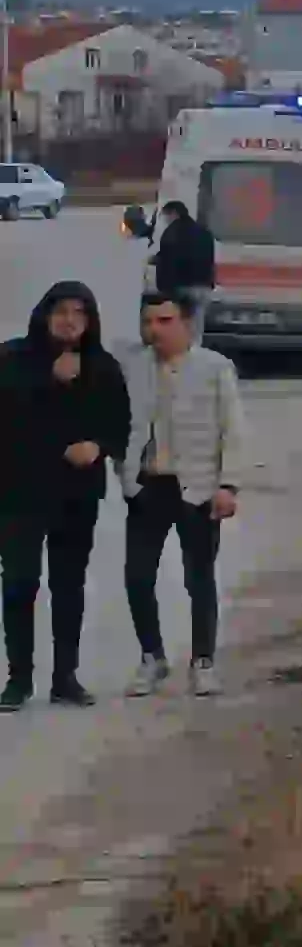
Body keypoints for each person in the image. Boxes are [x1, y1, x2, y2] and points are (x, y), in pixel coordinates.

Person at [1, 281, 129, 710]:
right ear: (45, 314)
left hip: (76, 495)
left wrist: (99, 446)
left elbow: (119, 423)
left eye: (79, 312)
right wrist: (47, 380)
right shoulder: (13, 359)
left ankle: (65, 677)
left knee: (69, 585)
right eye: (61, 311)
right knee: (19, 583)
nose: (69, 320)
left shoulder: (103, 367)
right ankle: (18, 679)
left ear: (90, 320)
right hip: (19, 492)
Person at [122, 290, 239, 698]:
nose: (154, 330)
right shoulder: (133, 367)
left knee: (199, 578)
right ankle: (152, 657)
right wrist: (125, 474)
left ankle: (203, 661)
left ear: (187, 324)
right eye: (148, 322)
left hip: (198, 488)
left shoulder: (214, 368)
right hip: (148, 486)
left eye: (164, 321)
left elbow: (233, 430)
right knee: (137, 576)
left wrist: (228, 485)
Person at [148, 195, 216, 310]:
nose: (166, 219)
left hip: (182, 286)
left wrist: (164, 288)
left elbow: (169, 259)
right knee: (196, 324)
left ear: (174, 213)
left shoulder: (173, 231)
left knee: (181, 323)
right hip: (203, 286)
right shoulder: (204, 232)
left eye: (166, 215)